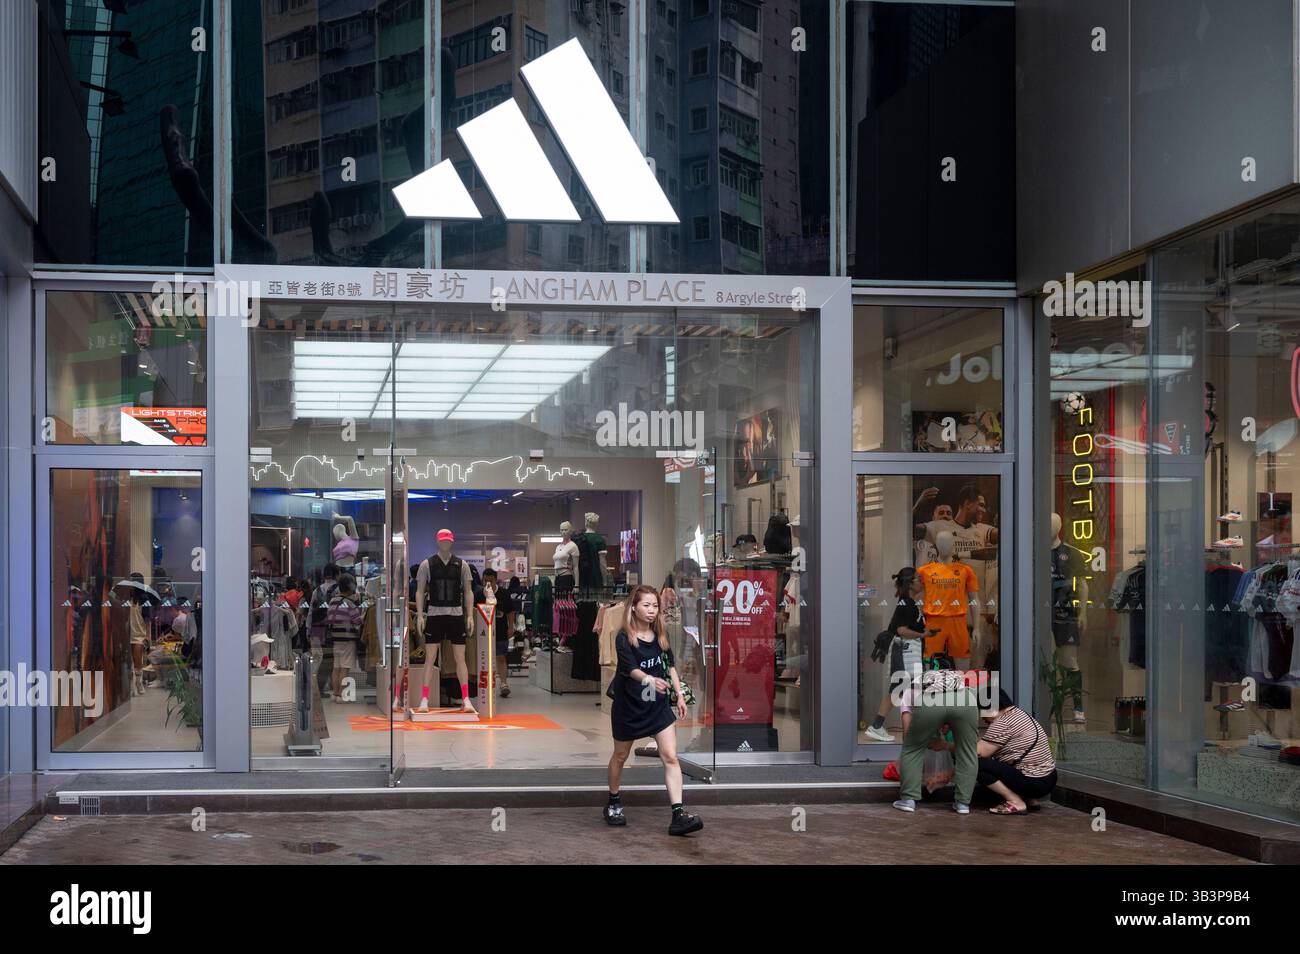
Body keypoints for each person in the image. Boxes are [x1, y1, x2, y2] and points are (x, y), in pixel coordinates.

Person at [604, 584, 703, 836]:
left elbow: (669, 666)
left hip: (657, 706)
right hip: (630, 706)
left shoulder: (660, 634)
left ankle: (678, 815)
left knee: (670, 756)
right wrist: (648, 679)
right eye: (646, 605)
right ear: (634, 607)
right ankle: (613, 802)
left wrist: (679, 695)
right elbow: (630, 670)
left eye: (655, 606)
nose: (651, 610)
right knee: (620, 756)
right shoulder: (624, 637)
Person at [892, 664, 980, 815]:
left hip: (930, 701)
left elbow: (908, 736)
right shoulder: (958, 682)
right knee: (968, 750)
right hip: (965, 700)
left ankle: (908, 800)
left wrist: (923, 740)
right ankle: (963, 804)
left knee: (911, 748)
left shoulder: (909, 691)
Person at [865, 567, 935, 742]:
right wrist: (923, 634)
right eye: (918, 578)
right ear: (910, 583)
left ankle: (880, 726)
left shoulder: (909, 603)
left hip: (907, 652)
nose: (922, 581)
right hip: (905, 652)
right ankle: (877, 726)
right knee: (900, 690)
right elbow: (901, 630)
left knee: (906, 690)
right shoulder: (907, 605)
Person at [977, 690, 1057, 815]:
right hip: (1050, 778)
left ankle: (1015, 802)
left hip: (1034, 783)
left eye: (981, 711)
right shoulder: (1020, 714)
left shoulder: (1002, 722)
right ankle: (1031, 800)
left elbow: (978, 752)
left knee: (974, 763)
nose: (982, 717)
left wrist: (947, 746)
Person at [325, 572, 363, 701]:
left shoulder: (332, 601)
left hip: (336, 639)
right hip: (348, 639)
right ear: (350, 587)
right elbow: (357, 621)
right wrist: (363, 614)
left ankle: (335, 694)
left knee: (336, 667)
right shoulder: (350, 603)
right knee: (345, 669)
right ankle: (341, 695)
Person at [481, 568, 511, 697]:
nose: (488, 583)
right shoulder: (478, 593)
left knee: (501, 657)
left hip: (500, 629)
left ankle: (503, 683)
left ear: (495, 580)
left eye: (491, 581)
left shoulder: (504, 593)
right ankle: (484, 684)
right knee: (483, 658)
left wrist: (511, 627)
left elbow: (510, 611)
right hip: (483, 631)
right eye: (486, 580)